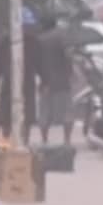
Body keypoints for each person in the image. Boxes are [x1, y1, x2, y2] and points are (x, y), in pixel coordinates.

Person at [0, 7, 41, 143]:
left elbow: (40, 63)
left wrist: (45, 80)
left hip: (28, 81)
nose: (26, 28)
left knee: (28, 113)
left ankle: (24, 141)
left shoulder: (34, 42)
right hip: (9, 80)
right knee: (5, 114)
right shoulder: (4, 42)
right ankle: (6, 140)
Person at [36, 15, 76, 146]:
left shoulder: (40, 40)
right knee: (67, 111)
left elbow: (37, 62)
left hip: (45, 81)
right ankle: (67, 140)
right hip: (62, 80)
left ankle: (44, 140)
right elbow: (68, 56)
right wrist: (71, 72)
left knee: (44, 112)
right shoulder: (62, 36)